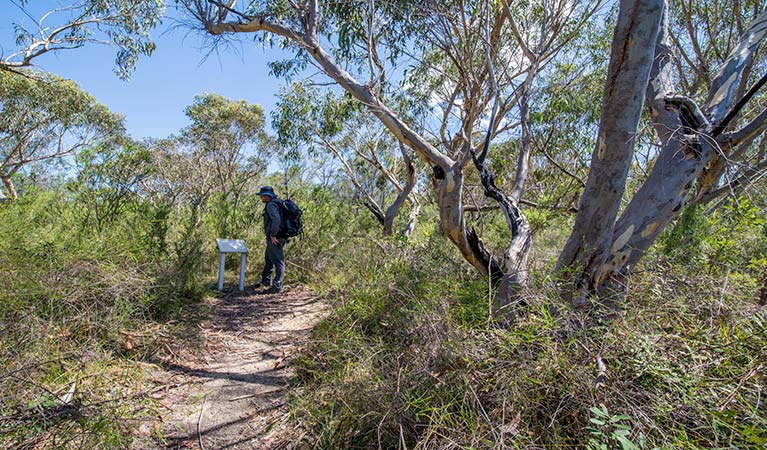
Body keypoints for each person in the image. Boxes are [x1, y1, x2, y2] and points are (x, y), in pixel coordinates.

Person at [255, 186, 285, 294]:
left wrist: (273, 235)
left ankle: (277, 286)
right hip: (278, 236)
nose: (261, 198)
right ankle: (266, 281)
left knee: (278, 261)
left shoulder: (271, 205)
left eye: (262, 196)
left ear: (267, 196)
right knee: (268, 259)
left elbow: (276, 219)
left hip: (275, 237)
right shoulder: (277, 203)